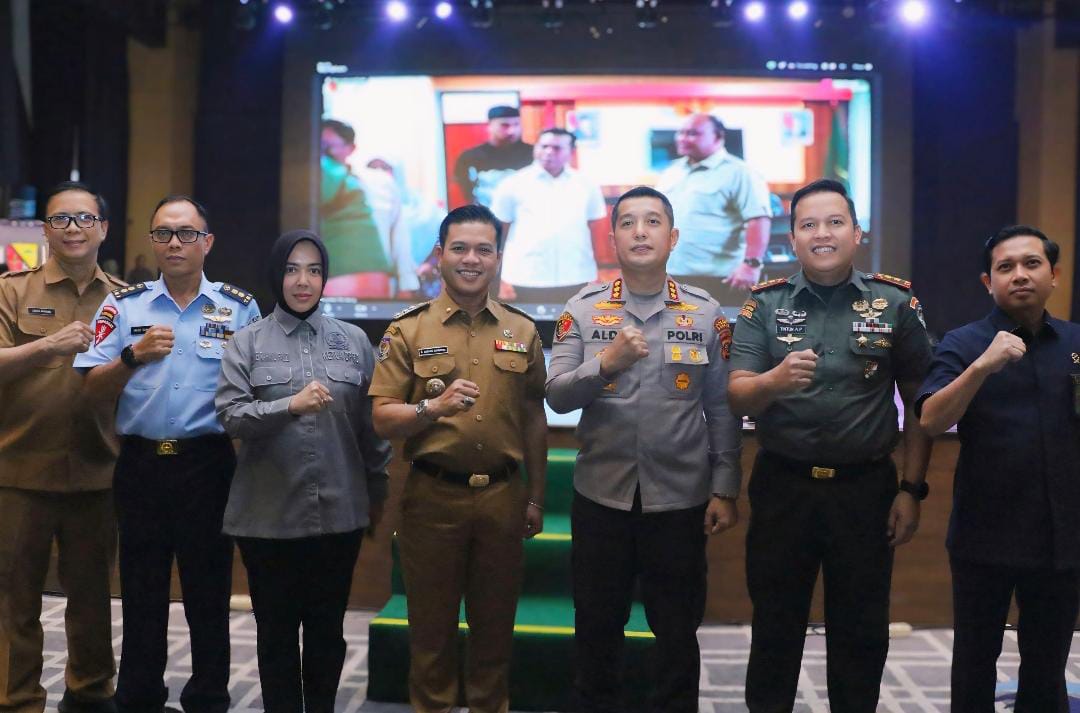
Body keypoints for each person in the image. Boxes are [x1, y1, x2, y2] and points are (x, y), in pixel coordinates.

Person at [727, 178, 933, 712]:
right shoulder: (762, 305)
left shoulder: (895, 302)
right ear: (792, 239)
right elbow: (737, 394)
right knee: (775, 625)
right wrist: (774, 381)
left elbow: (922, 402)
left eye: (835, 222)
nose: (822, 234)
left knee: (861, 629)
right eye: (809, 225)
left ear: (857, 233)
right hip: (784, 487)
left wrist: (911, 488)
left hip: (865, 490)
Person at [545, 186, 742, 713]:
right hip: (601, 498)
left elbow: (722, 409)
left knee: (677, 631)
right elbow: (557, 394)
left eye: (652, 222)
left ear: (672, 237)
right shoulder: (582, 309)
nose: (640, 232)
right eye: (628, 222)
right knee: (596, 627)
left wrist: (725, 487)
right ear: (612, 238)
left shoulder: (706, 313)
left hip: (679, 501)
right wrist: (604, 364)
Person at [74, 195, 261, 713]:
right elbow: (91, 389)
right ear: (152, 241)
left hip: (209, 464)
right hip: (141, 465)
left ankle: (208, 698)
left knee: (209, 591)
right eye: (163, 234)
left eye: (186, 233)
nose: (174, 243)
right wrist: (132, 357)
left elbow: (258, 391)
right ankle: (139, 697)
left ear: (208, 242)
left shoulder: (240, 308)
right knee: (141, 591)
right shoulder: (123, 306)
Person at [369, 204, 547, 713]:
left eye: (483, 250)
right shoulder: (408, 329)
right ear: (440, 254)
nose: (472, 259)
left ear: (498, 258)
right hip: (433, 497)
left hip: (503, 498)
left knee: (495, 629)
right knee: (431, 631)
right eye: (460, 248)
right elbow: (382, 418)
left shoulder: (523, 330)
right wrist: (432, 408)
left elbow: (533, 416)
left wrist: (536, 496)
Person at [216, 229, 392, 713]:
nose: (303, 281)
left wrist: (377, 494)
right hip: (267, 518)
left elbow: (372, 430)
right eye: (292, 269)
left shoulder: (354, 341)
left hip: (339, 516)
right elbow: (231, 416)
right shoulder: (247, 342)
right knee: (275, 635)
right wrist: (288, 406)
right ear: (277, 274)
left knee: (326, 632)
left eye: (314, 270)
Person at [917, 226, 1080, 713]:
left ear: (1054, 275)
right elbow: (930, 420)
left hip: (1061, 536)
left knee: (1047, 667)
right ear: (988, 283)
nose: (1020, 275)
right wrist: (981, 367)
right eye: (1005, 268)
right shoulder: (964, 342)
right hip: (984, 535)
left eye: (1032, 264)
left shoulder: (1075, 342)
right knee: (974, 662)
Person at [0, 181, 125, 713]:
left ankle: (90, 694)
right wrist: (50, 344)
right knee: (15, 598)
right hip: (19, 470)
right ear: (45, 230)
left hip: (97, 471)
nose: (73, 229)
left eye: (84, 219)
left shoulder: (125, 299)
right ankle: (16, 700)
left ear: (103, 228)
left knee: (93, 598)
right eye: (61, 220)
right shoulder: (12, 290)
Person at [656, 113, 772, 306]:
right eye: (681, 132)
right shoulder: (671, 171)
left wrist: (751, 265)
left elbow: (758, 219)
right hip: (672, 274)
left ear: (718, 137)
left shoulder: (740, 172)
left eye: (693, 133)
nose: (683, 138)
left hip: (720, 279)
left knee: (721, 326)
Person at [490, 127, 608, 303]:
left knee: (572, 320)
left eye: (557, 148)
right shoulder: (513, 183)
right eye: (543, 146)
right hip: (526, 275)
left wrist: (599, 271)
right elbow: (499, 232)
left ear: (571, 152)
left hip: (576, 274)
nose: (548, 152)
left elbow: (595, 230)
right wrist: (498, 278)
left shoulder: (586, 185)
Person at [319, 119, 393, 297]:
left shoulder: (328, 171)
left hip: (345, 274)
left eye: (328, 146)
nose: (322, 152)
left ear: (351, 148)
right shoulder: (347, 177)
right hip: (374, 273)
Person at [452, 105, 535, 208]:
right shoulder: (470, 157)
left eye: (516, 124)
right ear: (490, 125)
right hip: (485, 214)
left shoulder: (534, 154)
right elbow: (464, 193)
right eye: (505, 125)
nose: (512, 131)